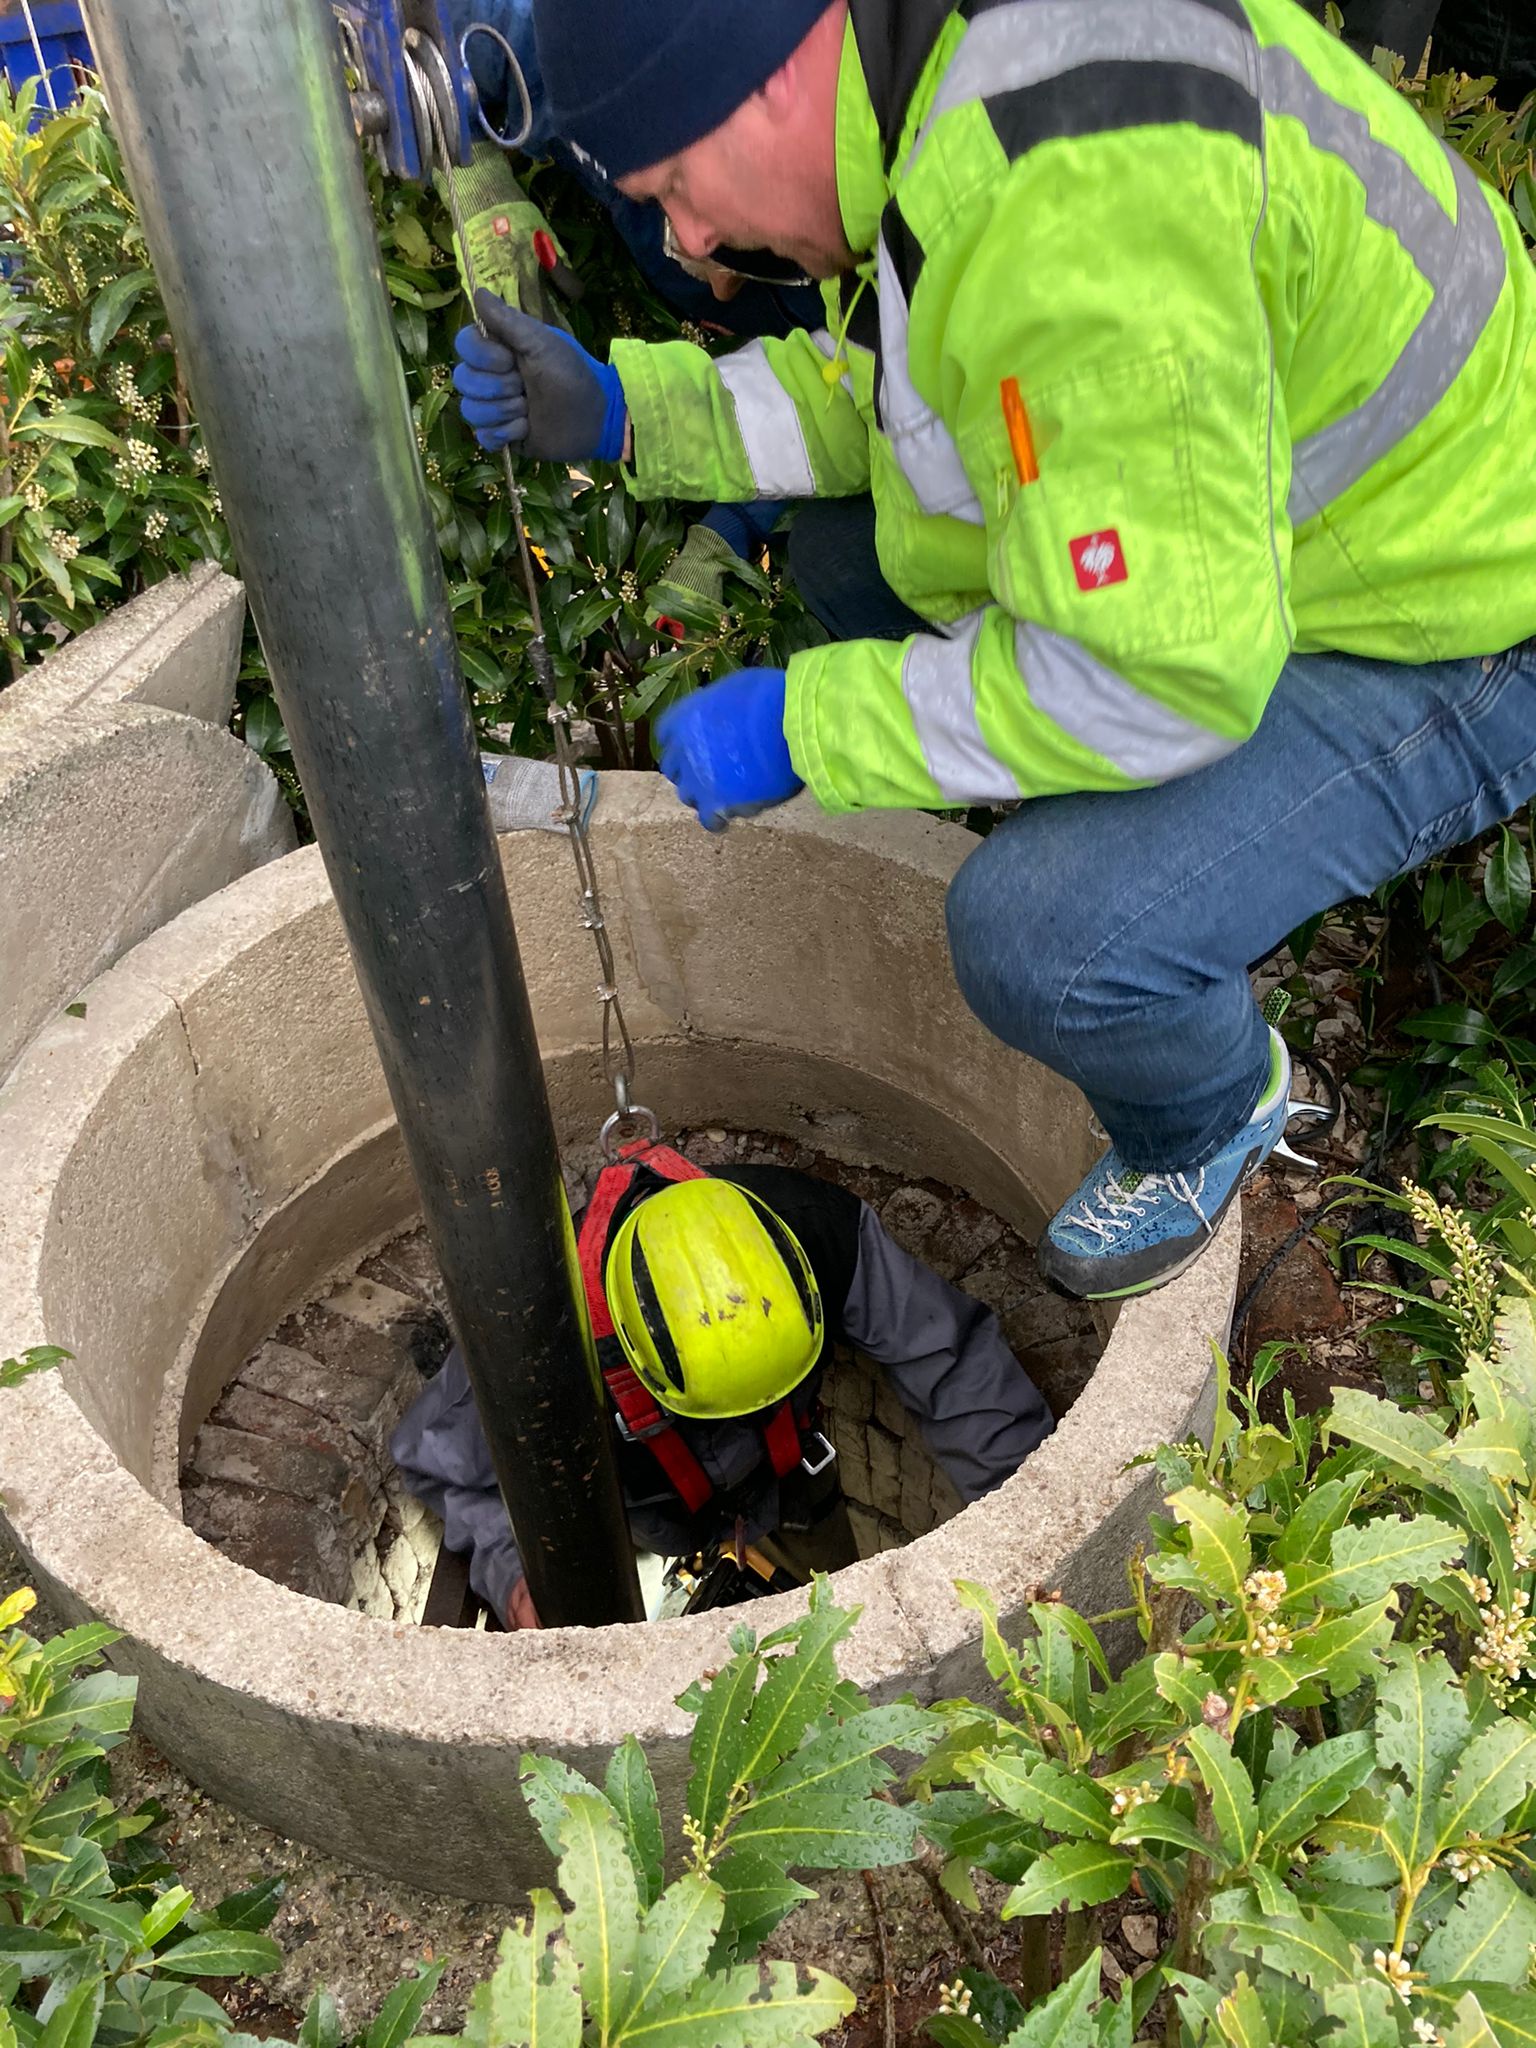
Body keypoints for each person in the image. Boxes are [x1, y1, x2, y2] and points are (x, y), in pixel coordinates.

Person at [450, 0, 1536, 1305]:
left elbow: (1160, 672)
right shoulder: (928, 76)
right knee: (856, 556)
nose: (687, 240)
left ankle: (1212, 1104)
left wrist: (809, 726)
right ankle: (1108, 819)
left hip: (1458, 622)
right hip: (1296, 537)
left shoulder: (1074, 222)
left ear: (776, 79)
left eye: (678, 185)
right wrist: (632, 409)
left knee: (1041, 941)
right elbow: (890, 390)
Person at [392, 1141, 1053, 1629]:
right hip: (635, 1518)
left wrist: (1031, 1529)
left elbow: (956, 1365)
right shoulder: (538, 1334)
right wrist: (512, 1579)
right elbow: (439, 1464)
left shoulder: (815, 1232)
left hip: (786, 1485)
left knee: (835, 1598)